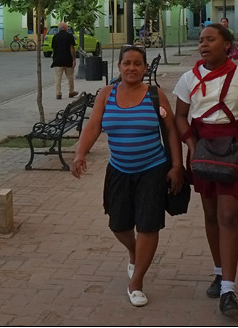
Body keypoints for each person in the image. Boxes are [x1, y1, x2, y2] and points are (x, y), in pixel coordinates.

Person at [72, 45, 184, 308]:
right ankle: (134, 251)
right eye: (126, 63)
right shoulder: (106, 94)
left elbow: (171, 133)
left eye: (137, 63)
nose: (131, 68)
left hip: (152, 170)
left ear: (145, 68)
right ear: (119, 67)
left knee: (148, 225)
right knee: (119, 225)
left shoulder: (155, 95)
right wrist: (80, 154)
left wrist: (177, 166)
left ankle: (137, 282)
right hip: (119, 170)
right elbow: (93, 126)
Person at [172, 23, 238, 318]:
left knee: (228, 215)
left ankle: (229, 289)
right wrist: (191, 143)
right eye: (201, 40)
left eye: (210, 39)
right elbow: (180, 117)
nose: (203, 45)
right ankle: (219, 271)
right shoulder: (188, 78)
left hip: (235, 148)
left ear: (227, 45)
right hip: (203, 149)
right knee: (210, 213)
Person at [50, 22, 77, 100]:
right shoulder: (69, 36)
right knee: (70, 77)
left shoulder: (55, 37)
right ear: (65, 28)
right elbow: (72, 48)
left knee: (58, 78)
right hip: (68, 60)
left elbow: (53, 49)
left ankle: (58, 93)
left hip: (57, 60)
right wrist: (74, 59)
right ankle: (71, 92)